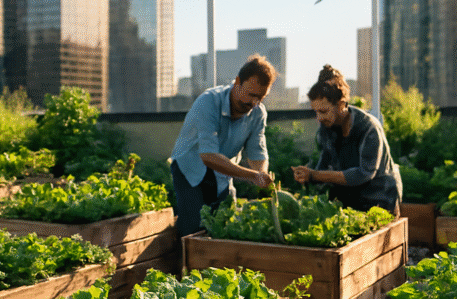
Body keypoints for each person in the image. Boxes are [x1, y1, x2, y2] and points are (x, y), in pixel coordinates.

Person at [170, 55, 276, 236]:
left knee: (226, 224)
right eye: (250, 94)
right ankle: (184, 262)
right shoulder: (209, 102)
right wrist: (252, 176)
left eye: (260, 97)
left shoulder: (257, 113)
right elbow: (208, 156)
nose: (253, 102)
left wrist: (262, 175)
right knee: (193, 226)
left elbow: (257, 152)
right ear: (237, 82)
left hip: (223, 171)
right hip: (190, 168)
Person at [291, 65, 402, 214]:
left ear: (341, 102)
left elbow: (364, 174)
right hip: (350, 203)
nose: (319, 118)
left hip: (380, 201)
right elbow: (322, 168)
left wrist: (314, 175)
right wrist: (307, 176)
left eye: (323, 111)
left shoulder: (368, 127)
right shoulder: (327, 129)